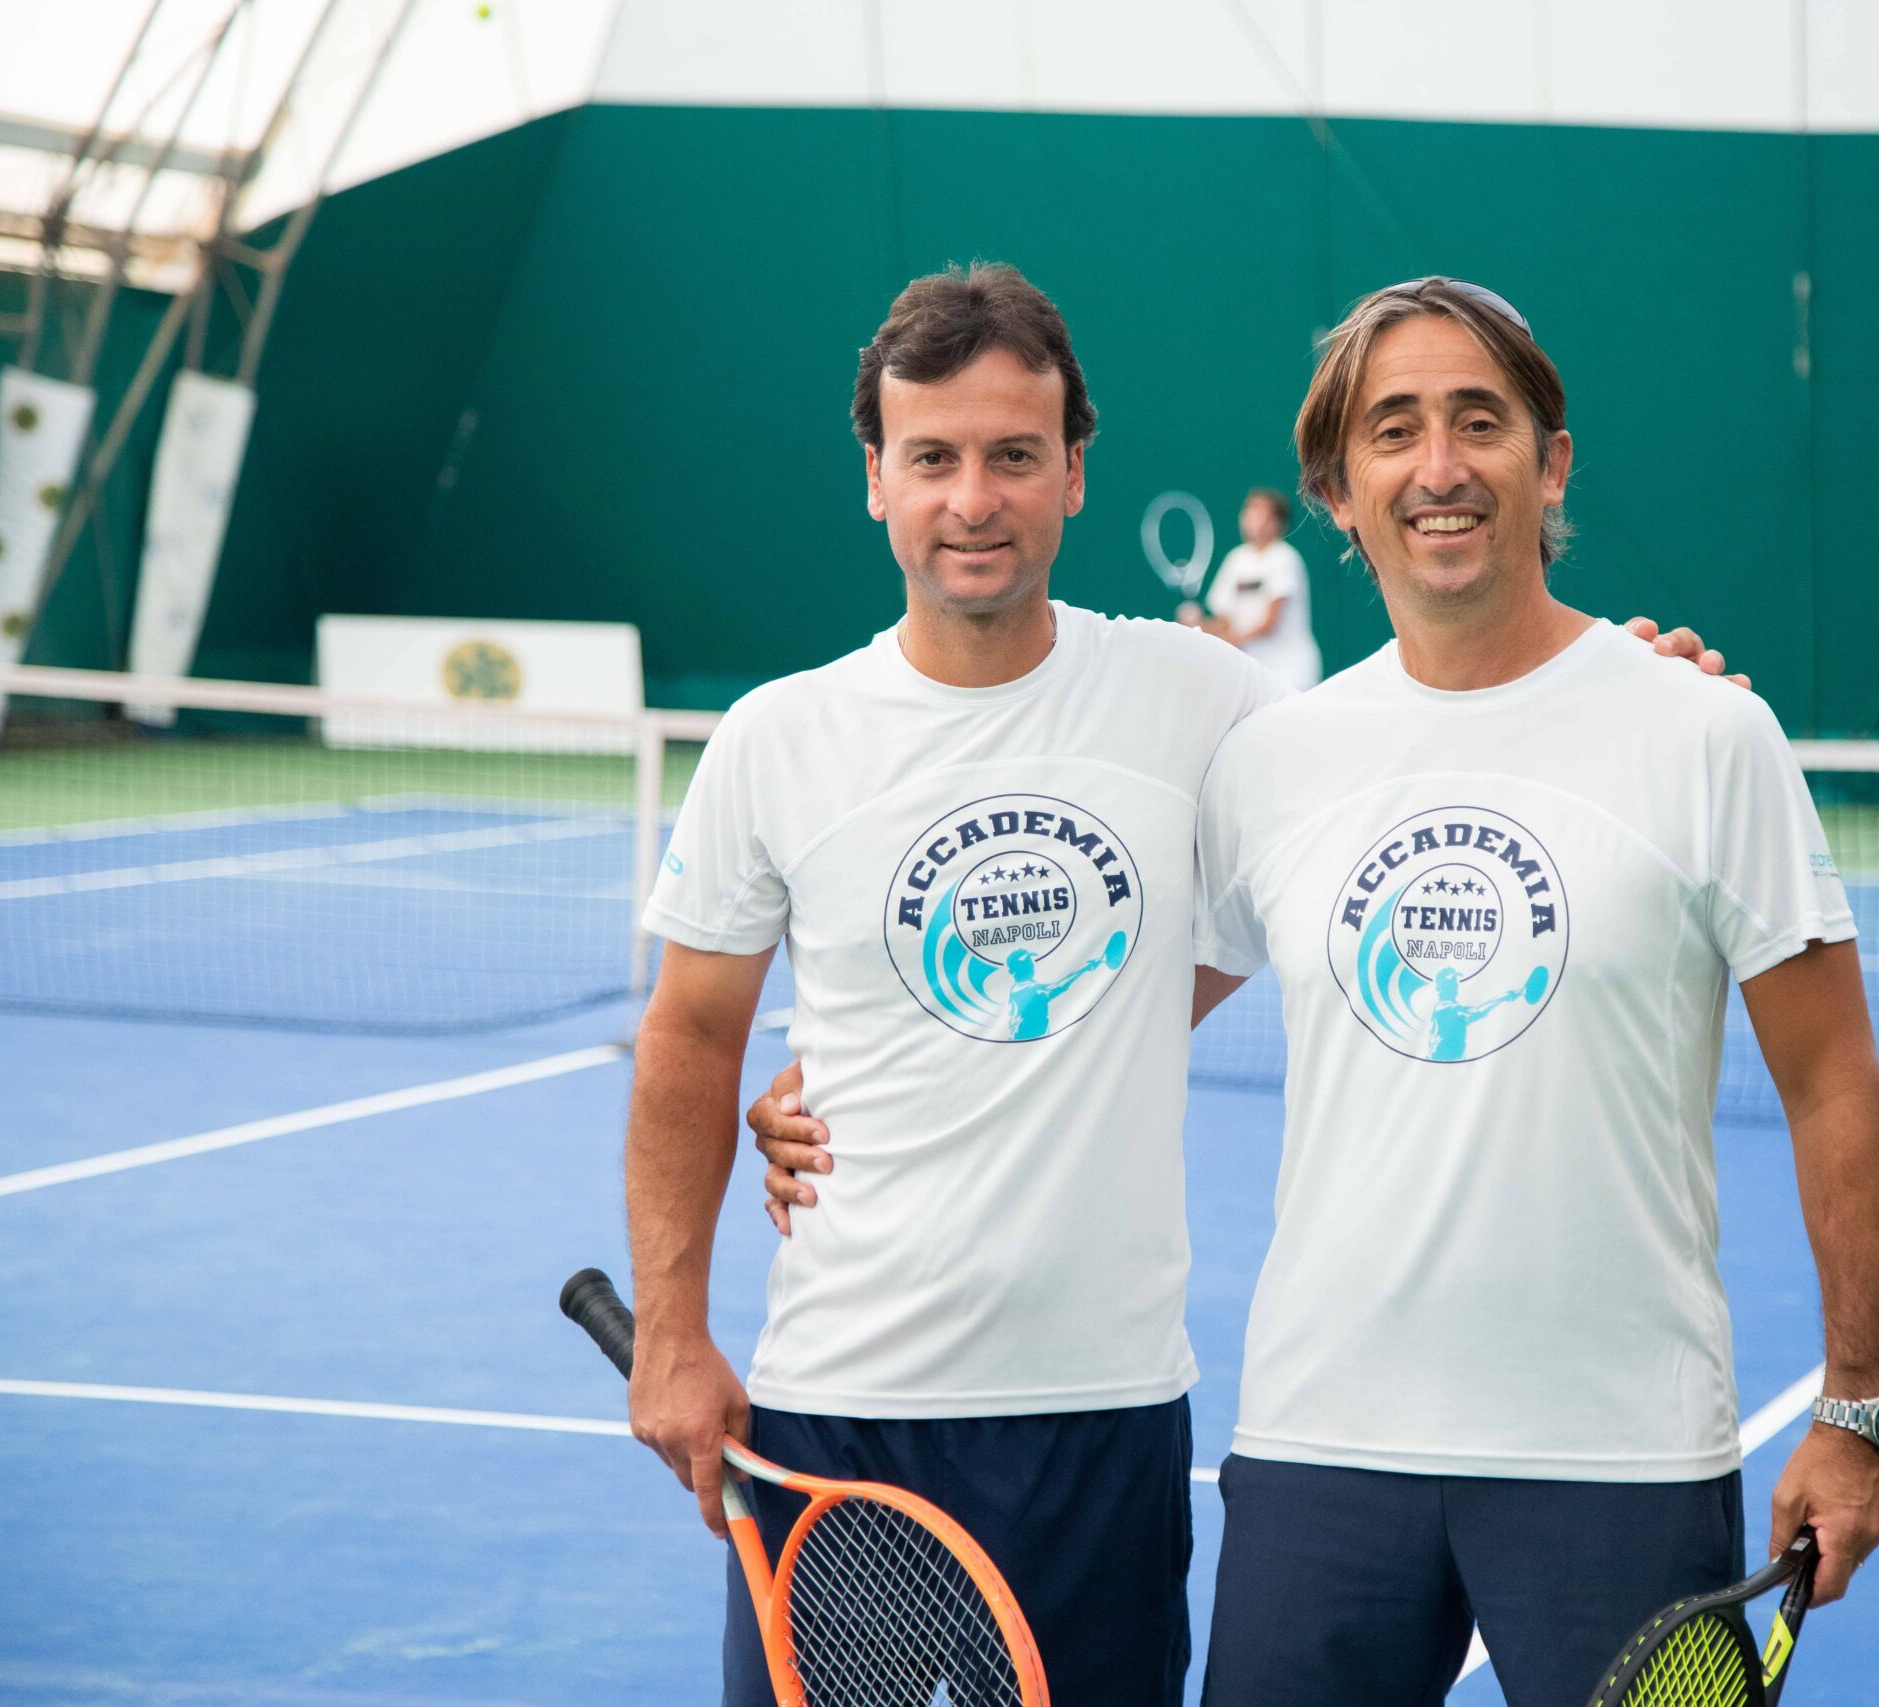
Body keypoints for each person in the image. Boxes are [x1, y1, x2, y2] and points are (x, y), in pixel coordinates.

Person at [632, 262, 1738, 1707]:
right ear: (876, 477)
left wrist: (1629, 685)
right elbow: (689, 1036)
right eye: (936, 459)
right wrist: (671, 1333)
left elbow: (1335, 840)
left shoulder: (1201, 702)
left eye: (1016, 455)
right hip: (847, 1406)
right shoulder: (778, 739)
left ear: (1075, 473)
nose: (975, 498)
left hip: (1110, 1419)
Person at [1182, 279, 1879, 1706]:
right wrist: (837, 1100)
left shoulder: (1707, 731)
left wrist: (1860, 1410)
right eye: (1395, 431)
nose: (1440, 467)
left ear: (1551, 458)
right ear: (1338, 486)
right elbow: (1112, 1026)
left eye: (1480, 423)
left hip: (1622, 1461)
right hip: (1323, 1447)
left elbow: (1832, 1079)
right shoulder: (1275, 759)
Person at [1180, 487, 1323, 690]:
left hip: (1291, 670)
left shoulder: (1285, 558)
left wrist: (1228, 640)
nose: (1250, 518)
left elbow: (1268, 623)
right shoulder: (1235, 560)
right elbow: (1225, 622)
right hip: (1253, 671)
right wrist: (1197, 626)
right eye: (1248, 510)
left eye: (1259, 512)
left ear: (1277, 523)